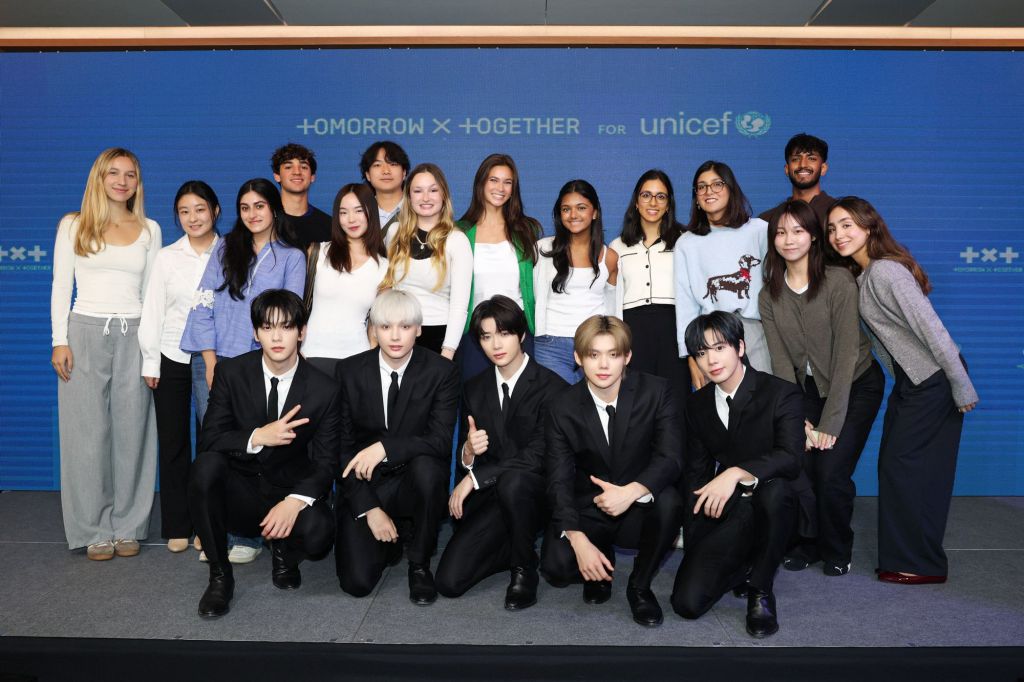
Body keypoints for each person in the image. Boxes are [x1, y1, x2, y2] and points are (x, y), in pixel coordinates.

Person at [827, 196, 978, 585]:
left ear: (869, 227)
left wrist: (961, 386)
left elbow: (932, 328)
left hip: (935, 378)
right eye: (832, 228)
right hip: (915, 381)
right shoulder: (863, 277)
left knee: (909, 469)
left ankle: (920, 564)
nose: (838, 234)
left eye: (847, 225)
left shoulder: (886, 272)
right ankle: (910, 559)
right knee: (902, 468)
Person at [187, 289, 340, 618]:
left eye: (286, 327)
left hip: (288, 490)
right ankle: (220, 576)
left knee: (320, 533)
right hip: (241, 493)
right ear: (256, 334)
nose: (277, 337)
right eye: (268, 328)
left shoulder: (324, 388)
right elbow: (210, 439)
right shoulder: (232, 373)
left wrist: (294, 502)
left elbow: (327, 462)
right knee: (205, 467)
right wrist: (258, 436)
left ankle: (284, 552)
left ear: (302, 332)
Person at [180, 177, 306, 564]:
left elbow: (287, 315)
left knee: (253, 448)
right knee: (215, 446)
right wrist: (210, 361)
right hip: (214, 363)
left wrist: (263, 362)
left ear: (274, 209)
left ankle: (247, 534)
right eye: (245, 208)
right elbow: (202, 305)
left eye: (260, 206)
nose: (252, 214)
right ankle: (214, 530)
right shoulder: (224, 249)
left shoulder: (291, 257)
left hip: (260, 367)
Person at [758, 198, 884, 576]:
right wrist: (795, 419)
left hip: (856, 385)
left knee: (830, 472)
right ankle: (807, 543)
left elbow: (846, 355)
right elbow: (781, 363)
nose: (789, 239)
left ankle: (836, 547)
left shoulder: (838, 281)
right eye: (781, 232)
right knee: (799, 466)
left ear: (814, 236)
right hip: (806, 391)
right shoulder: (769, 295)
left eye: (798, 231)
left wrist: (829, 423)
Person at [670, 311, 811, 638]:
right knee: (686, 603)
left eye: (720, 348)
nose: (711, 360)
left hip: (780, 504)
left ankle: (760, 589)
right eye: (701, 353)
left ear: (741, 347)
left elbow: (791, 458)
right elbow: (696, 475)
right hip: (734, 508)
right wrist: (696, 548)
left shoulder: (780, 393)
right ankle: (743, 565)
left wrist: (736, 472)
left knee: (775, 492)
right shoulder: (697, 405)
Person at [50, 147, 161, 561]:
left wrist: (152, 353)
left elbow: (152, 296)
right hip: (84, 332)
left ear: (137, 183)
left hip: (135, 333)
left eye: (130, 175)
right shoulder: (73, 225)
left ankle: (128, 525)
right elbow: (62, 285)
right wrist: (59, 340)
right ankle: (92, 529)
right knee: (86, 435)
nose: (122, 181)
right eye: (113, 173)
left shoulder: (149, 229)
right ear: (99, 177)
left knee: (134, 432)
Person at [542, 315, 683, 628]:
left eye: (613, 354)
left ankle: (640, 585)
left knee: (670, 502)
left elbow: (671, 458)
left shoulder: (656, 391)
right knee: (556, 568)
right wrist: (578, 539)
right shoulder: (561, 406)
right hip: (590, 506)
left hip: (638, 503)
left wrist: (631, 492)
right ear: (578, 358)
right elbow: (557, 477)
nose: (603, 365)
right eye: (593, 355)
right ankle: (599, 562)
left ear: (627, 357)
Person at [435, 295, 567, 609]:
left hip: (534, 494)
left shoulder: (554, 388)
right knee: (449, 582)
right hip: (492, 496)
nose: (496, 344)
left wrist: (475, 478)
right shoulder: (474, 387)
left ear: (521, 335)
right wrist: (468, 451)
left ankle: (524, 569)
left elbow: (539, 454)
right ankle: (513, 547)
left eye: (504, 333)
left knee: (515, 482)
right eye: (486, 336)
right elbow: (467, 456)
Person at [334, 290, 460, 605]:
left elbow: (440, 440)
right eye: (386, 326)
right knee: (356, 583)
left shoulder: (441, 372)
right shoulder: (349, 371)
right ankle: (392, 539)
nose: (395, 336)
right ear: (374, 330)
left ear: (419, 329)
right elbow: (341, 449)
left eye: (405, 326)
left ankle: (419, 563)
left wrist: (384, 448)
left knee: (429, 470)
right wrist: (370, 508)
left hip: (414, 477)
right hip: (366, 481)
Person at [139, 180, 220, 553]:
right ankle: (177, 524)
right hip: (171, 355)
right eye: (185, 212)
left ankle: (208, 523)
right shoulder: (167, 257)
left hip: (213, 359)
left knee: (210, 444)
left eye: (200, 209)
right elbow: (153, 309)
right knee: (173, 442)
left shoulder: (230, 253)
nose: (193, 218)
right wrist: (150, 359)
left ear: (215, 211)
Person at [674, 161, 769, 389]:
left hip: (755, 330)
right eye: (702, 187)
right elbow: (685, 305)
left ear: (731, 188)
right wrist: (691, 355)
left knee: (765, 399)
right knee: (720, 406)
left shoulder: (759, 230)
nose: (709, 191)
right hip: (710, 336)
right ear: (696, 197)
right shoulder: (687, 243)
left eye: (717, 184)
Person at [456, 154, 542, 380]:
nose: (500, 188)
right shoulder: (459, 232)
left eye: (507, 182)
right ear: (481, 183)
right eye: (493, 180)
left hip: (517, 329)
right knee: (475, 397)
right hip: (475, 332)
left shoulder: (526, 229)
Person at [381, 163, 472, 359]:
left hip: (439, 338)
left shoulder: (457, 241)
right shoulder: (395, 233)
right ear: (409, 196)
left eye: (433, 190)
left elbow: (459, 306)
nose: (425, 198)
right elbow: (386, 288)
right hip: (397, 335)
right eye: (418, 191)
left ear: (444, 195)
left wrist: (447, 352)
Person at [534, 180, 620, 384]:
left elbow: (613, 308)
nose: (573, 215)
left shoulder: (610, 257)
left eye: (581, 208)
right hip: (550, 345)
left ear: (595, 212)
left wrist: (613, 347)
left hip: (595, 346)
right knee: (555, 402)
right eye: (566, 209)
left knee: (590, 403)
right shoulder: (542, 250)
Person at [301, 183, 388, 376]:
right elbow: (296, 305)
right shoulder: (317, 252)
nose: (351, 219)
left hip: (358, 360)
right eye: (343, 212)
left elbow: (377, 325)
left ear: (371, 212)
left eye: (358, 210)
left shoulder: (384, 267)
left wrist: (372, 362)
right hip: (311, 355)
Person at [610, 169, 686, 384]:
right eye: (646, 195)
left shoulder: (684, 240)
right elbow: (612, 297)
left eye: (660, 196)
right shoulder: (617, 246)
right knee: (637, 395)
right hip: (633, 330)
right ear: (636, 202)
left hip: (673, 329)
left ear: (669, 204)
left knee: (675, 395)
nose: (653, 202)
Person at [759, 133, 834, 229]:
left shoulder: (840, 213)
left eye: (811, 159)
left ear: (823, 168)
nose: (803, 165)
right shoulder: (767, 220)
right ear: (787, 169)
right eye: (795, 159)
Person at [271, 142, 331, 248]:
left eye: (303, 167)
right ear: (277, 176)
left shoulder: (329, 225)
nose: (297, 172)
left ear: (312, 177)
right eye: (288, 167)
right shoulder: (264, 221)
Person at [360, 140, 410, 236]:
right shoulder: (359, 213)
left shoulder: (418, 209)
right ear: (368, 175)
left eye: (393, 164)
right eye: (377, 165)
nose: (386, 171)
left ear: (404, 172)